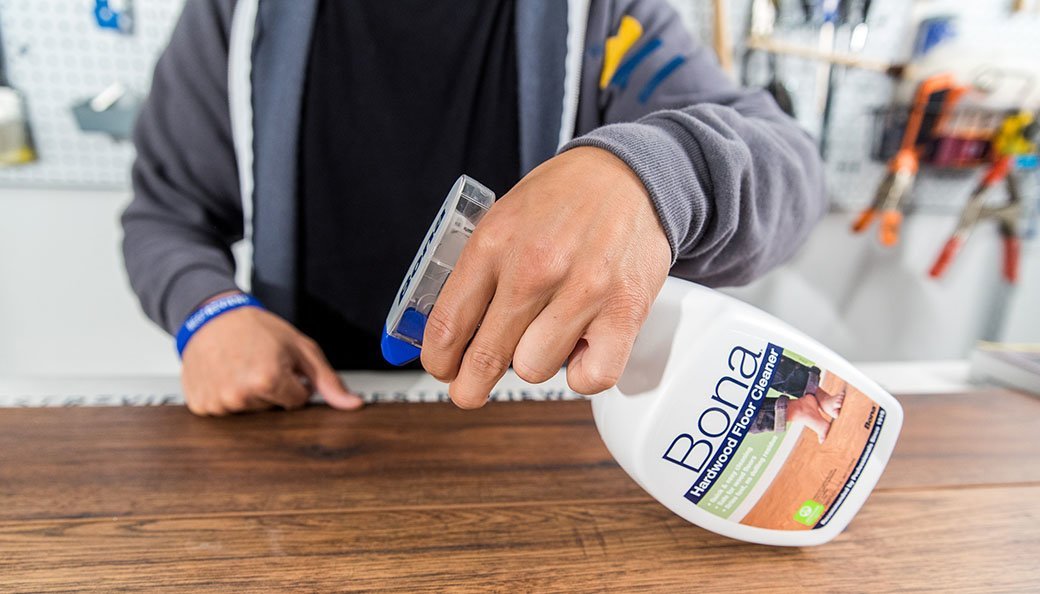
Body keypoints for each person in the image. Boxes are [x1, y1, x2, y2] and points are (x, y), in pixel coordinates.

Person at [121, 0, 827, 416]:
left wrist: (650, 175)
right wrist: (205, 313)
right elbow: (165, 212)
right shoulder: (238, 15)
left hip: (531, 436)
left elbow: (792, 171)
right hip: (302, 420)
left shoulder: (603, 15)